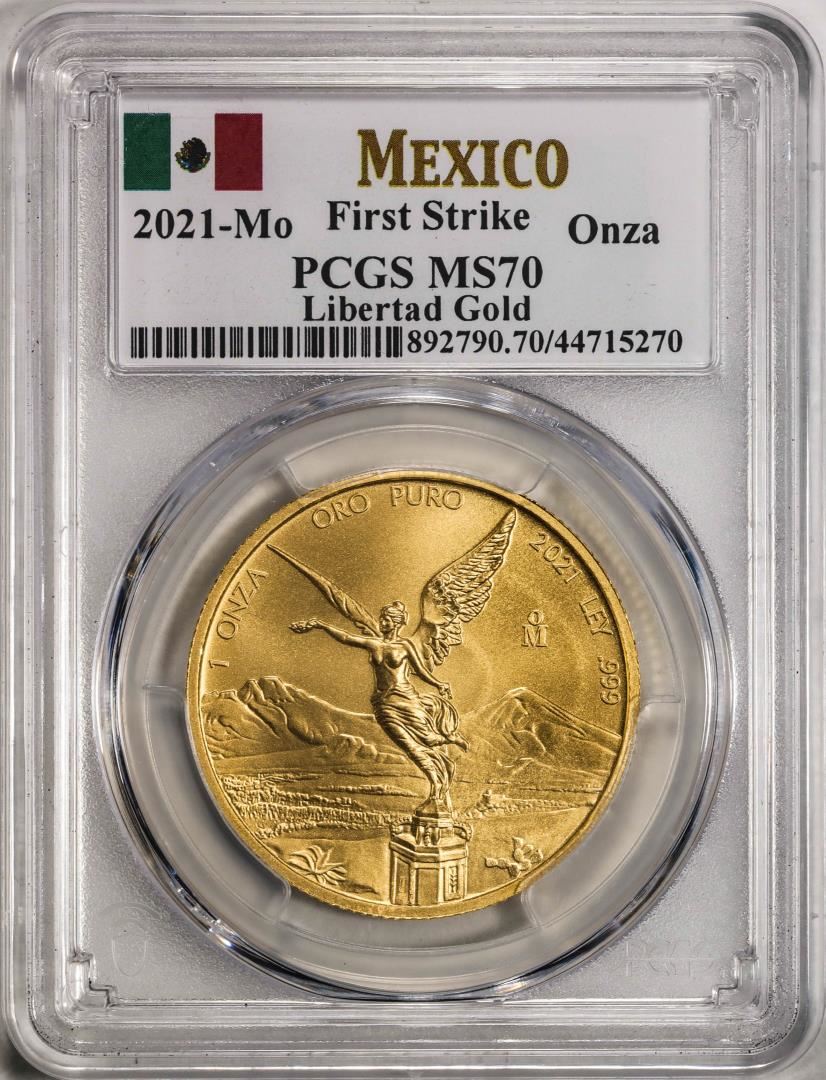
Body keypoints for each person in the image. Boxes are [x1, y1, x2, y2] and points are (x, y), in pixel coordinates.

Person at [291, 600, 467, 807]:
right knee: (408, 745)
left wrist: (439, 684)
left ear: (397, 623)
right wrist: (321, 625)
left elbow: (420, 671)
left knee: (427, 739)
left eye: (387, 619)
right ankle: (436, 784)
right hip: (383, 703)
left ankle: (449, 739)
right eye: (382, 619)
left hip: (405, 699)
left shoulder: (405, 646)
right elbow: (346, 637)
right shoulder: (374, 644)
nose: (382, 622)